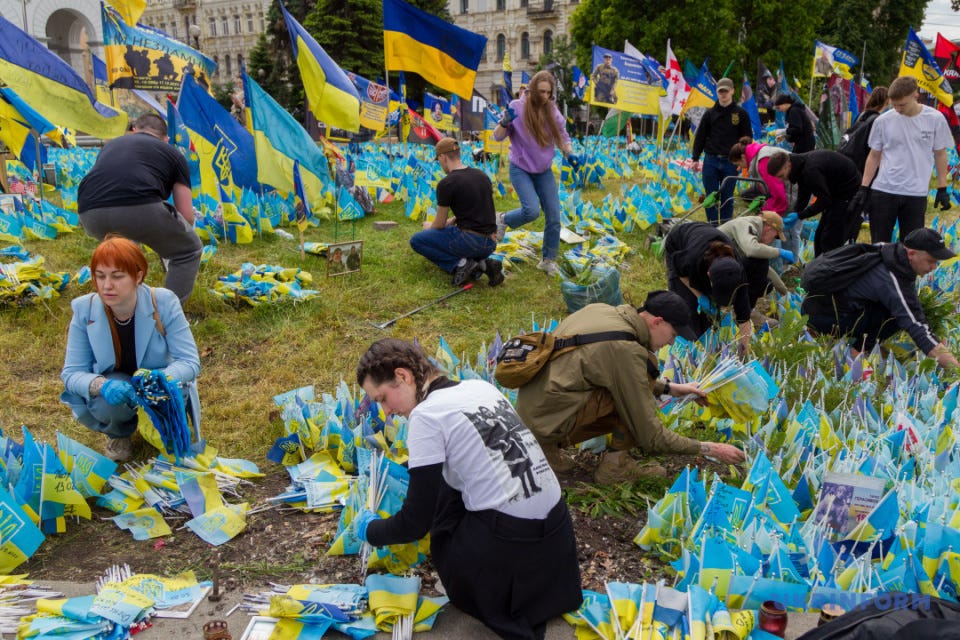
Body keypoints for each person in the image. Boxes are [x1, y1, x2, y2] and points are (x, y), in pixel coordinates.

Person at [353, 338, 582, 639]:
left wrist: (370, 530)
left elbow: (414, 524)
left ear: (403, 376)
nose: (386, 412)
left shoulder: (426, 416)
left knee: (443, 517)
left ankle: (478, 581)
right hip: (557, 540)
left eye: (382, 398)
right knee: (449, 483)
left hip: (511, 544)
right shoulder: (479, 387)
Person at [514, 291, 746, 485]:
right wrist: (709, 449)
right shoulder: (627, 350)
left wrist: (671, 388)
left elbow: (602, 368)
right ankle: (615, 469)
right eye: (673, 334)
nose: (672, 342)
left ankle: (545, 447)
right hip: (547, 420)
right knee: (633, 402)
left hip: (532, 411)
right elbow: (651, 436)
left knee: (631, 388)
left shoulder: (602, 311)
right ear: (657, 322)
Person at [60, 236, 201, 462]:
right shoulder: (84, 310)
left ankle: (168, 427)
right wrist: (102, 386)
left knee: (166, 395)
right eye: (100, 276)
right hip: (114, 379)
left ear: (138, 276)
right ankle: (119, 433)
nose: (107, 285)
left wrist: (162, 377)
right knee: (107, 404)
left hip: (156, 377)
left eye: (117, 276)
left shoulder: (163, 302)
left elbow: (190, 362)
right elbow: (71, 373)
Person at [77, 113, 202, 305]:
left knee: (125, 248)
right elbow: (187, 216)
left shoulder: (112, 145)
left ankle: (118, 311)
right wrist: (169, 237)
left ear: (134, 131)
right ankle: (167, 316)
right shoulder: (174, 154)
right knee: (188, 251)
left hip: (89, 212)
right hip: (138, 209)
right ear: (166, 139)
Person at [802, 228, 959, 369]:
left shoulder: (887, 250)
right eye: (931, 261)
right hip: (827, 316)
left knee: (900, 309)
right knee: (898, 316)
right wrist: (955, 369)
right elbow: (918, 328)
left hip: (815, 307)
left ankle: (816, 329)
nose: (934, 267)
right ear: (911, 253)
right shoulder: (891, 278)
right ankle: (856, 351)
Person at [493, 70, 579, 276]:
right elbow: (498, 137)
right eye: (541, 92)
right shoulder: (516, 107)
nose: (544, 97)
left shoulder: (552, 110)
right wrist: (504, 122)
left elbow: (563, 136)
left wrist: (570, 154)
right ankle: (503, 219)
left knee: (554, 215)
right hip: (520, 168)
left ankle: (548, 260)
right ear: (531, 89)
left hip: (543, 170)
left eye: (548, 93)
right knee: (531, 211)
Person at [849, 76, 953, 244]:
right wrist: (864, 187)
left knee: (911, 246)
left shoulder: (935, 118)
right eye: (894, 104)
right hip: (884, 190)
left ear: (915, 96)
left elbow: (940, 153)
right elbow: (874, 155)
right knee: (879, 244)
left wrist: (942, 187)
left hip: (916, 192)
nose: (897, 109)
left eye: (902, 105)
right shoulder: (883, 121)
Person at [409, 138, 503, 286]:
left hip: (470, 241)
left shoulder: (447, 183)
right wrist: (452, 220)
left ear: (442, 157)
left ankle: (460, 264)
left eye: (438, 160)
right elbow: (480, 209)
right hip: (490, 243)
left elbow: (438, 225)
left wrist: (429, 226)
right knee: (452, 232)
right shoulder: (481, 175)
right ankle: (483, 264)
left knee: (417, 240)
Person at [663, 222, 754, 352]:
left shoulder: (740, 277)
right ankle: (683, 349)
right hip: (677, 245)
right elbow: (679, 273)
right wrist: (700, 296)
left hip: (703, 242)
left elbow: (744, 319)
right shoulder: (690, 260)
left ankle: (710, 347)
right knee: (686, 307)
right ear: (709, 275)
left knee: (709, 317)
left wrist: (744, 351)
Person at [767, 150, 862, 256]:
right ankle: (818, 267)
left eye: (781, 175)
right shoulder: (799, 166)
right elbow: (804, 190)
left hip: (849, 194)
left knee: (829, 240)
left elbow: (825, 200)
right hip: (835, 192)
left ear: (788, 165)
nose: (781, 180)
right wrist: (797, 211)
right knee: (819, 237)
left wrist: (800, 215)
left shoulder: (810, 170)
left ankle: (830, 268)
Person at [691, 77, 753, 225]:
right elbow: (700, 136)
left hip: (731, 162)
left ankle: (725, 227)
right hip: (711, 160)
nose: (723, 94)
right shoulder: (709, 114)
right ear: (717, 93)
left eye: (726, 91)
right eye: (720, 92)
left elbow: (747, 139)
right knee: (711, 197)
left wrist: (745, 159)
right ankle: (712, 227)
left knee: (727, 197)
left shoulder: (741, 114)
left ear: (732, 91)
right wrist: (695, 158)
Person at [717, 212, 792, 326]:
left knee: (767, 281)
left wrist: (785, 292)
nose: (774, 241)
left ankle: (745, 309)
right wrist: (779, 252)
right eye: (776, 236)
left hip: (721, 267)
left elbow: (766, 269)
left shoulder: (753, 230)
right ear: (769, 228)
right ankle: (748, 312)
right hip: (711, 270)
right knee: (759, 262)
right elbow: (752, 250)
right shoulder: (745, 225)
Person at [838, 86, 888, 174]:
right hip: (861, 166)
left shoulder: (862, 115)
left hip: (849, 160)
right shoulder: (878, 120)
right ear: (887, 101)